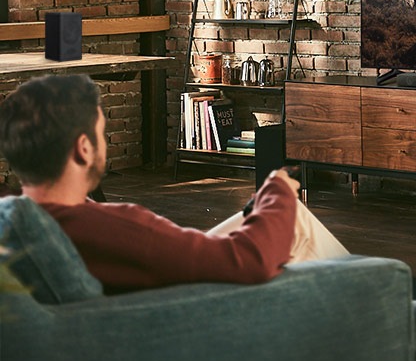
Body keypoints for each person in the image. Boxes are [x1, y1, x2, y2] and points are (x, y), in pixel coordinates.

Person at [0, 74, 349, 295]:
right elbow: (249, 260)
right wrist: (278, 189)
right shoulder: (118, 227)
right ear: (84, 148)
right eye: (101, 132)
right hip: (204, 318)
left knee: (277, 218)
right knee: (294, 220)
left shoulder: (17, 222)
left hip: (156, 284)